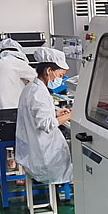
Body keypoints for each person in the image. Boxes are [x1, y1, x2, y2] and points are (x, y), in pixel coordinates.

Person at [16, 47, 73, 185]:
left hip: (32, 152)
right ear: (49, 71)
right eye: (60, 75)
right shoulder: (38, 92)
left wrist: (55, 113)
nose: (60, 79)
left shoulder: (31, 87)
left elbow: (36, 114)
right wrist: (71, 115)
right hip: (44, 158)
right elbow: (46, 125)